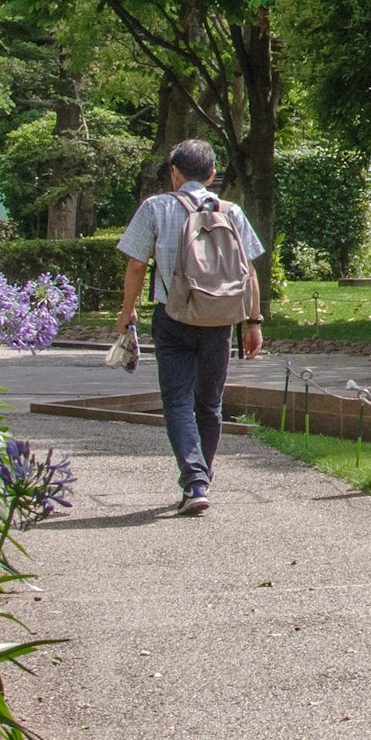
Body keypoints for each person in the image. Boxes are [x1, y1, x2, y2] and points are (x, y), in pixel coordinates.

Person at [115, 140, 266, 515]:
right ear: (212, 175)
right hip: (221, 318)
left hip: (174, 316)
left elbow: (136, 265)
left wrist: (126, 311)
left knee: (178, 401)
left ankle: (195, 481)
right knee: (210, 404)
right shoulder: (231, 211)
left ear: (174, 173)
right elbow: (249, 271)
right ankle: (202, 480)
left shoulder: (155, 207)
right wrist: (254, 322)